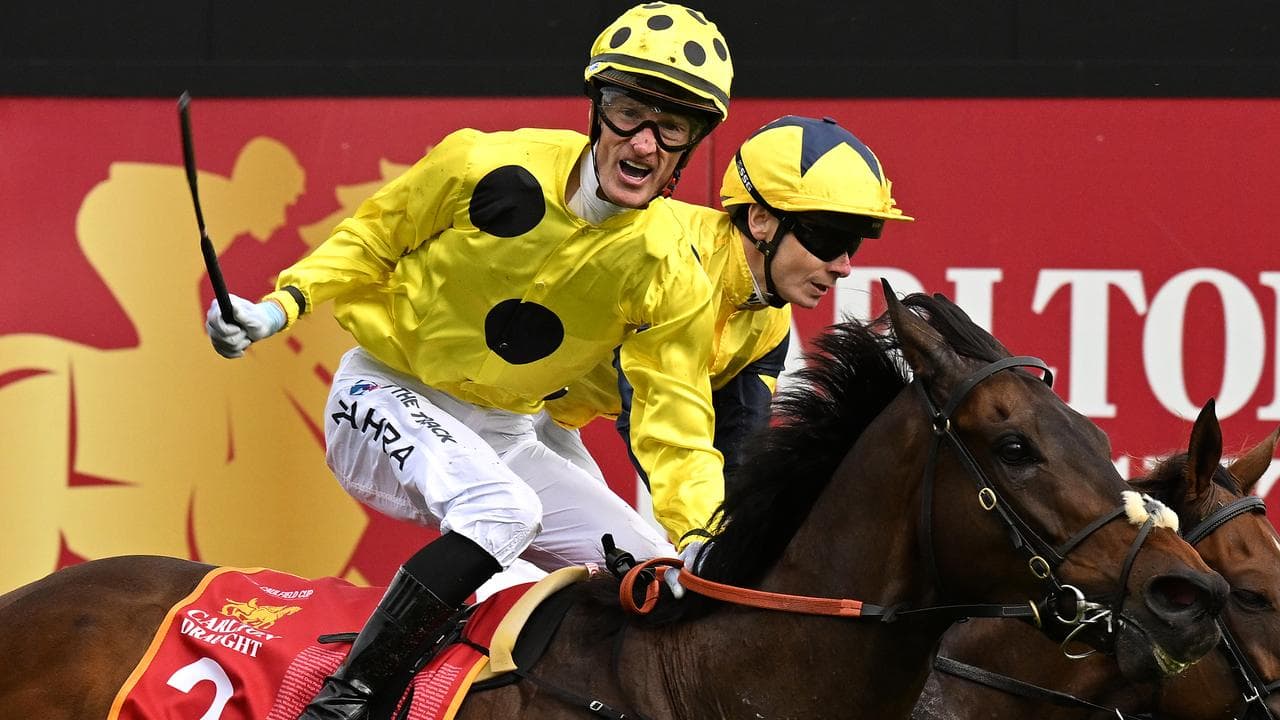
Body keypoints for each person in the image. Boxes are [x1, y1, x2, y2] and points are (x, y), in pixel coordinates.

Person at [203, 5, 733, 718]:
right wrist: (279, 307)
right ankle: (344, 703)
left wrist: (699, 535)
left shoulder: (672, 270)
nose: (642, 145)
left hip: (507, 434)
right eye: (630, 113)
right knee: (503, 511)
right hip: (384, 394)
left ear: (692, 144)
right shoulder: (481, 162)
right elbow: (372, 238)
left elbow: (675, 423)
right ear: (595, 109)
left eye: (670, 129)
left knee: (658, 575)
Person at [543, 115, 913, 572]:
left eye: (852, 243)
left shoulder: (770, 322)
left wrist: (743, 542)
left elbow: (740, 457)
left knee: (625, 571)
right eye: (830, 239)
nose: (843, 266)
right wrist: (703, 536)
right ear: (760, 219)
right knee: (607, 557)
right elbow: (663, 427)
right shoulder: (673, 259)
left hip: (536, 424)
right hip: (463, 399)